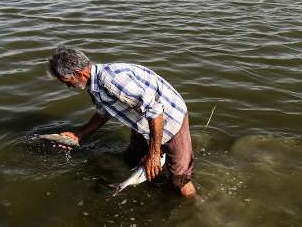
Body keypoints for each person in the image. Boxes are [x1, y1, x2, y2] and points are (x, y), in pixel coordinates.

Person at [48, 45, 196, 198]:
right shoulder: (93, 85)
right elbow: (103, 113)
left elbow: (156, 112)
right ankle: (147, 173)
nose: (67, 86)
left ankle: (194, 206)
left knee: (180, 181)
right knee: (132, 158)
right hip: (142, 120)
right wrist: (78, 135)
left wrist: (153, 153)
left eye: (66, 80)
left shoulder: (112, 82)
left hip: (170, 119)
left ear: (78, 73)